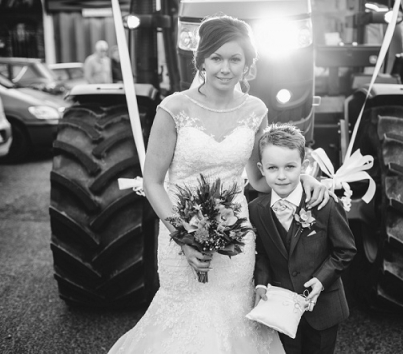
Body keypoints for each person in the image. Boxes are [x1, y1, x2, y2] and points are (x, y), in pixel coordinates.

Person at [108, 15, 331, 354]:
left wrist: (301, 178)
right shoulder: (173, 108)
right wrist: (183, 238)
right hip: (178, 231)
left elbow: (259, 177)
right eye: (216, 58)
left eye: (235, 59)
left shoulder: (256, 110)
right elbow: (153, 183)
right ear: (201, 60)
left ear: (247, 65)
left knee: (233, 317)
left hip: (236, 237)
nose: (225, 68)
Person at [251, 123, 357, 354]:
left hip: (323, 309)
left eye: (290, 167)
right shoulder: (256, 210)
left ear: (304, 166)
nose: (281, 176)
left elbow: (345, 250)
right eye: (272, 168)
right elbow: (261, 254)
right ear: (261, 168)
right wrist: (261, 282)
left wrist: (321, 280)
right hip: (281, 308)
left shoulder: (325, 204)